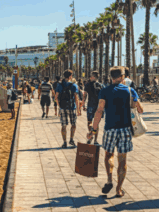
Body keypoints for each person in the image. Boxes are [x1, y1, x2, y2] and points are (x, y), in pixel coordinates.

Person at [89, 66, 143, 198]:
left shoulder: (105, 91)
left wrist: (93, 129)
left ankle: (109, 180)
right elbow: (140, 110)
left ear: (111, 77)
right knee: (122, 160)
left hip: (110, 128)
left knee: (108, 155)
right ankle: (119, 189)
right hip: (125, 129)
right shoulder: (130, 90)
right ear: (122, 76)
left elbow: (100, 110)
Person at [56, 69, 82, 148]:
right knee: (73, 124)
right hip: (71, 107)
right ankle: (71, 139)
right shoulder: (73, 85)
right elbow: (76, 98)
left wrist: (59, 107)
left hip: (63, 107)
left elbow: (56, 97)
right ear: (70, 76)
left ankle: (64, 142)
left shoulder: (60, 85)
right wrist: (78, 110)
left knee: (63, 125)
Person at [83, 72, 104, 144]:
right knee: (96, 123)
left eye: (90, 76)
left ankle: (90, 134)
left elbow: (84, 95)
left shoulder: (87, 85)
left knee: (89, 122)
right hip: (99, 106)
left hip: (90, 105)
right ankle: (95, 140)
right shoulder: (101, 86)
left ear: (93, 77)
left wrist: (83, 104)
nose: (89, 77)